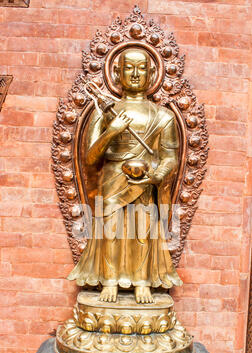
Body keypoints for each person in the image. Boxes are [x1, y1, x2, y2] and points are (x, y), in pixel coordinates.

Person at [68, 48, 182, 303]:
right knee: (112, 231)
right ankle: (109, 281)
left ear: (152, 73)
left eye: (141, 68)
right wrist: (112, 131)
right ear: (117, 72)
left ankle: (142, 282)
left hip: (144, 182)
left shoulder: (163, 116)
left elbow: (170, 157)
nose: (134, 74)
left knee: (142, 232)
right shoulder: (105, 111)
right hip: (112, 178)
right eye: (128, 67)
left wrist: (155, 176)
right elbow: (89, 157)